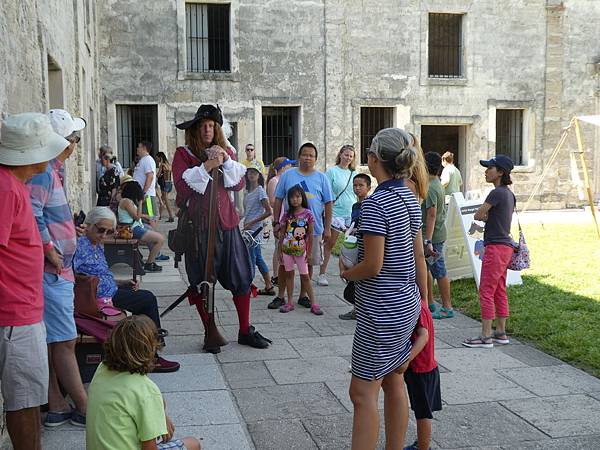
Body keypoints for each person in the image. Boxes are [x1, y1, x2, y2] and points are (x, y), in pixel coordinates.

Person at [339, 128, 428, 450]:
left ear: (373, 159)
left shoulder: (376, 203)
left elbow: (373, 266)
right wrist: (424, 303)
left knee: (362, 393)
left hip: (381, 308)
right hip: (406, 302)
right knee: (393, 380)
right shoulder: (410, 195)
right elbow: (418, 255)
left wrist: (348, 273)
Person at [173, 104, 271, 351]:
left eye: (211, 125)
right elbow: (183, 189)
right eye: (203, 125)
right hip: (198, 229)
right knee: (201, 281)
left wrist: (224, 160)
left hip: (227, 225)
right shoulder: (183, 155)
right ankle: (210, 331)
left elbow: (237, 185)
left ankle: (245, 329)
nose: (207, 129)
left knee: (241, 276)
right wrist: (207, 165)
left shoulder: (226, 152)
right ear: (195, 129)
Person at [0, 112, 69, 450]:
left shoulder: (15, 185)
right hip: (14, 315)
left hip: (22, 311)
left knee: (28, 399)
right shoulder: (6, 188)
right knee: (25, 403)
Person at [28, 109, 88, 428]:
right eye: (73, 139)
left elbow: (47, 214)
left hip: (57, 269)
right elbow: (33, 213)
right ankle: (84, 406)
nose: (75, 145)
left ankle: (56, 404)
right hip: (53, 272)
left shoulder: (53, 169)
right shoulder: (44, 172)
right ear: (62, 142)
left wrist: (67, 230)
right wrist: (51, 249)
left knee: (55, 338)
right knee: (66, 340)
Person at [73, 207, 179, 372]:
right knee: (147, 300)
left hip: (110, 292)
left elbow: (102, 274)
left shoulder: (96, 244)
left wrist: (121, 283)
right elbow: (73, 275)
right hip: (97, 298)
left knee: (144, 298)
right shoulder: (79, 245)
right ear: (89, 225)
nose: (104, 235)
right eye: (101, 230)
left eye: (108, 232)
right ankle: (152, 354)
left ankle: (146, 349)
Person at [86, 316, 200, 450]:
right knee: (193, 444)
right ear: (150, 350)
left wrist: (161, 415)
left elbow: (154, 400)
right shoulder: (146, 391)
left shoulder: (102, 369)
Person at [271, 143, 333, 310]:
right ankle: (281, 296)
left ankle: (303, 296)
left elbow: (328, 203)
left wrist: (327, 228)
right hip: (288, 230)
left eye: (311, 155)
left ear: (316, 159)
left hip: (313, 229)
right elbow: (278, 199)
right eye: (304, 154)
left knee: (309, 263)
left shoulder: (322, 178)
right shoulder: (288, 175)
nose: (308, 158)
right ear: (299, 157)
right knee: (285, 264)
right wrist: (276, 222)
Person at [463, 155, 516, 349]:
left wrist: (486, 218)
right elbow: (500, 218)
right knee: (499, 289)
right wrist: (491, 219)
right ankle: (500, 332)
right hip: (506, 247)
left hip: (495, 247)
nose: (486, 171)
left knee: (486, 290)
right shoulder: (509, 194)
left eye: (490, 168)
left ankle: (485, 336)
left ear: (500, 172)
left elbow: (478, 214)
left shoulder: (496, 194)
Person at [403, 300, 442, 450]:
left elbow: (423, 336)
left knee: (422, 413)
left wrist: (406, 360)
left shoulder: (417, 306)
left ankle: (423, 447)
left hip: (420, 369)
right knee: (423, 410)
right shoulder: (421, 303)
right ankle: (421, 442)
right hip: (426, 367)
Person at [278, 186, 322, 315]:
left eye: (297, 196)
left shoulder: (308, 214)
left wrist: (309, 253)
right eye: (292, 197)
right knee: (289, 275)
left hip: (301, 251)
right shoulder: (287, 214)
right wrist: (279, 251)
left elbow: (310, 234)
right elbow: (282, 233)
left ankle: (313, 303)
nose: (295, 199)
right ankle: (290, 302)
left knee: (305, 276)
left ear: (302, 197)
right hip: (287, 250)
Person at [318, 144, 357, 286]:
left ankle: (349, 274)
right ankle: (322, 273)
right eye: (346, 154)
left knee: (350, 246)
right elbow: (325, 192)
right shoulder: (332, 172)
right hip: (336, 213)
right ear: (340, 154)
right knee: (330, 243)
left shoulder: (354, 173)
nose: (348, 158)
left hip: (351, 213)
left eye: (351, 156)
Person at [422, 152, 454, 319]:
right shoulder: (433, 183)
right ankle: (429, 303)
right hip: (431, 237)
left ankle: (447, 307)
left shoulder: (432, 187)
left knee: (439, 271)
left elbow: (432, 214)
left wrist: (428, 240)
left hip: (433, 238)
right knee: (425, 269)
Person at [338, 173, 372, 321]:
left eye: (361, 185)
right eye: (355, 186)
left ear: (369, 187)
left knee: (363, 279)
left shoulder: (371, 204)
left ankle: (362, 310)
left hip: (367, 246)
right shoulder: (355, 206)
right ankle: (357, 309)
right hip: (354, 246)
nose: (357, 188)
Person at [265, 156, 295, 302]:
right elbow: (271, 201)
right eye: (288, 166)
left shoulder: (286, 181)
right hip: (279, 217)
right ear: (282, 167)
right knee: (278, 247)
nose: (290, 168)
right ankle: (276, 275)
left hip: (287, 217)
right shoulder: (274, 181)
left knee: (283, 247)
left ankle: (281, 273)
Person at [118, 180, 165, 272]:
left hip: (134, 228)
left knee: (153, 234)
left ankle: (152, 261)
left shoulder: (128, 201)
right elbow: (136, 216)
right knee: (160, 239)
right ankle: (149, 263)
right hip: (131, 230)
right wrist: (140, 202)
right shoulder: (126, 202)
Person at [243, 162, 274, 295]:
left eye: (254, 172)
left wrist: (252, 223)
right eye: (249, 172)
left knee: (251, 259)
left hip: (254, 230)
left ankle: (247, 287)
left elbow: (268, 211)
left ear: (259, 175)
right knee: (258, 258)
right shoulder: (247, 191)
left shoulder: (260, 190)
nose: (251, 175)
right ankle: (269, 286)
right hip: (249, 230)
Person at [133, 141, 159, 225]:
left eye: (139, 147)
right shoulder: (143, 160)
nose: (137, 149)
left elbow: (150, 176)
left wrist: (143, 192)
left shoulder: (148, 160)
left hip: (147, 196)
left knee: (151, 218)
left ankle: (153, 237)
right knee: (144, 219)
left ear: (144, 148)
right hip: (142, 195)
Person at [156, 151, 175, 222]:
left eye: (157, 158)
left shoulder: (162, 165)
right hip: (169, 183)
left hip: (164, 184)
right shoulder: (168, 164)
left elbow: (158, 175)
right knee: (162, 200)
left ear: (160, 157)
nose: (156, 159)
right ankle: (159, 216)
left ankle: (171, 216)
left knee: (166, 201)